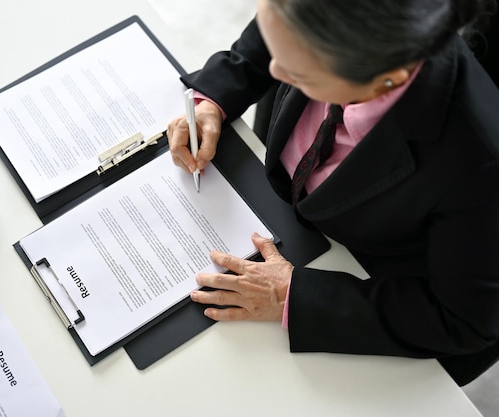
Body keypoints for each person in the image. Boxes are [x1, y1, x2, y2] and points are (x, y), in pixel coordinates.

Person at [166, 0, 499, 386]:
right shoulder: (319, 26)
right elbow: (284, 23)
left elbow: (465, 320)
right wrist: (216, 98)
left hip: (369, 279)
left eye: (297, 70)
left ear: (382, 77)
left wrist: (294, 296)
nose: (275, 71)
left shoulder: (478, 164)